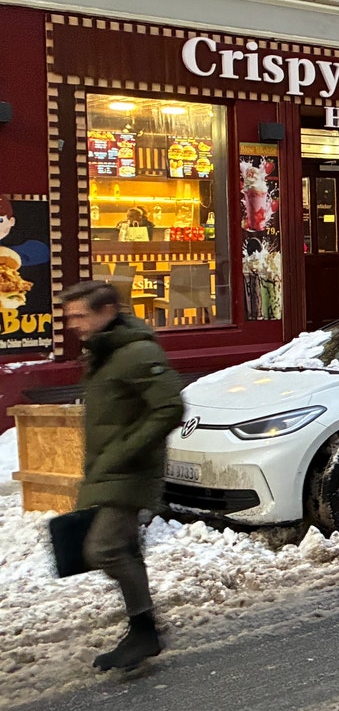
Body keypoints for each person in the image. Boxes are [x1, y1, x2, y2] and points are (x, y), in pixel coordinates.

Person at [62, 280, 186, 671]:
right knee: (123, 548)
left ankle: (144, 630)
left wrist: (124, 451)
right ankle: (143, 629)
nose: (73, 324)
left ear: (108, 311)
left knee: (105, 549)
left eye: (80, 315)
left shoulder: (136, 352)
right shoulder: (104, 353)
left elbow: (169, 407)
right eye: (70, 316)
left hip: (130, 472)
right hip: (110, 468)